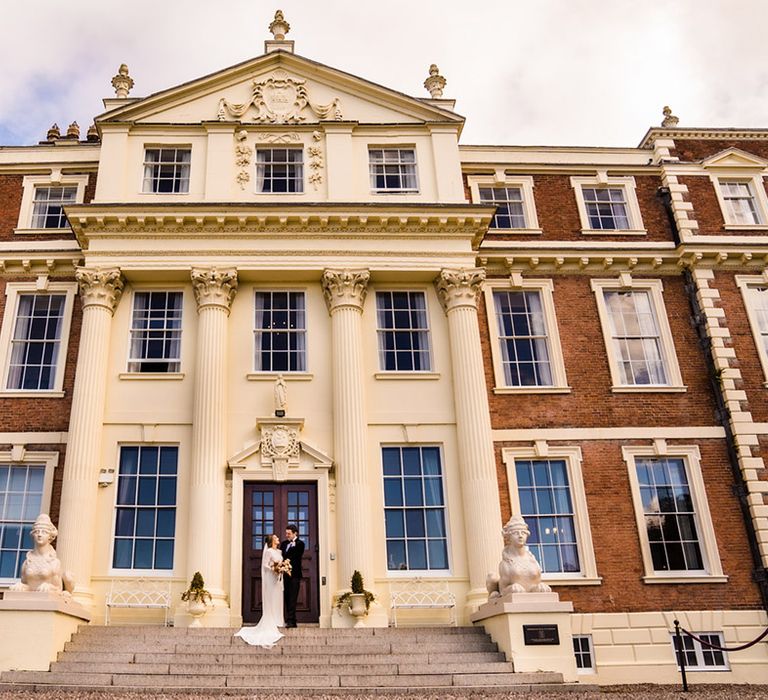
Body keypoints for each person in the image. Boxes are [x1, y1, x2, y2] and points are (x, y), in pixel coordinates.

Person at [234, 534, 285, 647]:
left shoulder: (280, 552)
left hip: (278, 578)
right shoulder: (269, 552)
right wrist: (275, 569)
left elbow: (281, 562)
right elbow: (265, 565)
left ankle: (278, 620)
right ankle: (272, 620)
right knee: (271, 598)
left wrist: (282, 568)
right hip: (271, 577)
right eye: (276, 538)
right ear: (272, 541)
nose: (278, 539)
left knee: (278, 598)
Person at [281, 524, 305, 628]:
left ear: (295, 533)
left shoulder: (300, 544)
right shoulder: (283, 544)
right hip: (284, 575)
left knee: (293, 598)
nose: (287, 535)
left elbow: (296, 556)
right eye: (286, 533)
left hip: (295, 575)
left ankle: (290, 620)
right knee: (286, 597)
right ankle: (292, 620)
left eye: (289, 533)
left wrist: (287, 560)